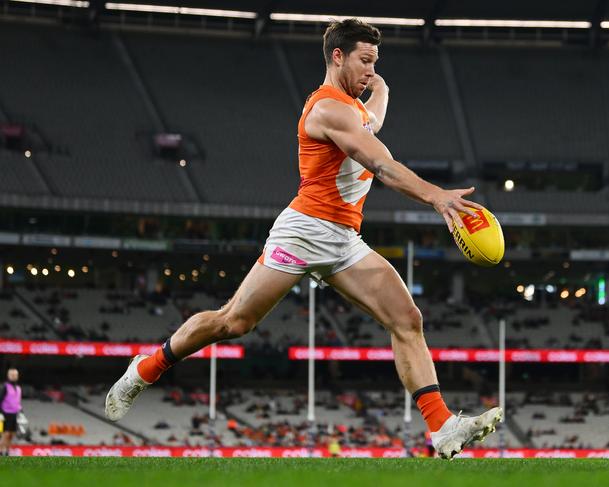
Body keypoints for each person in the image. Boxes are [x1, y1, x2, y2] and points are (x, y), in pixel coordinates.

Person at [105, 18, 501, 459]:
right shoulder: (328, 109)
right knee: (234, 322)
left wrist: (380, 86)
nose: (371, 69)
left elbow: (374, 119)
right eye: (365, 60)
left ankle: (442, 428)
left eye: (375, 61)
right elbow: (382, 164)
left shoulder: (356, 108)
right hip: (304, 231)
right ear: (337, 56)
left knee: (407, 319)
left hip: (345, 239)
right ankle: (144, 369)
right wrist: (436, 198)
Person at [0, 368, 23, 456]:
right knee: (6, 434)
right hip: (6, 413)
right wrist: (1, 413)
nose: (14, 376)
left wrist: (21, 412)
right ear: (8, 376)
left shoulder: (18, 388)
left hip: (15, 414)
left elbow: (18, 402)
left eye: (15, 375)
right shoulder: (5, 387)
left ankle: (7, 452)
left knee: (12, 434)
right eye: (12, 375)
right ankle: (1, 452)